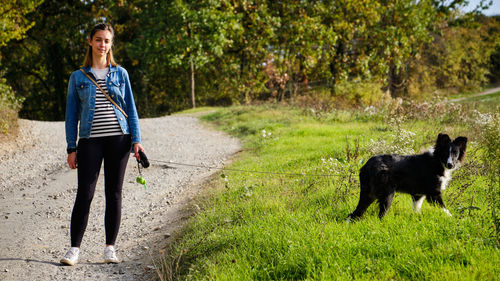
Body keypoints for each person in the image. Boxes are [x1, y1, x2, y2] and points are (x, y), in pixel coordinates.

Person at [61, 23, 144, 266]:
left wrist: (136, 140)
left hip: (119, 139)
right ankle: (74, 249)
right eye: (98, 40)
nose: (102, 45)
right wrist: (71, 147)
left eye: (107, 41)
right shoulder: (78, 77)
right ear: (90, 41)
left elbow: (131, 109)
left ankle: (110, 248)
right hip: (89, 141)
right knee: (84, 194)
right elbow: (71, 116)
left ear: (111, 44)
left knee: (114, 194)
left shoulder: (121, 74)